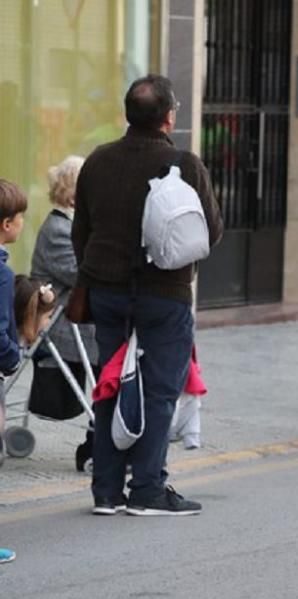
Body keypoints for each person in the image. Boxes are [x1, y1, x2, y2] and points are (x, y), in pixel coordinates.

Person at [72, 75, 223, 516]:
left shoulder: (97, 161)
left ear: (127, 115)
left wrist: (102, 272)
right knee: (158, 391)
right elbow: (210, 231)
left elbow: (82, 234)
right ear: (169, 116)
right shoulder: (184, 163)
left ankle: (105, 491)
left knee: (109, 384)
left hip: (106, 292)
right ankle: (148, 490)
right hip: (165, 294)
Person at [31, 155, 100, 472]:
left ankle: (101, 438)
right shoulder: (58, 230)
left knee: (111, 368)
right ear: (74, 195)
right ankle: (95, 443)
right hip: (63, 328)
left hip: (78, 323)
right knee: (108, 369)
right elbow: (81, 274)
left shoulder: (70, 226)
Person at [0, 178, 27, 562]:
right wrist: (12, 358)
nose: (22, 224)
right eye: (21, 217)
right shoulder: (3, 275)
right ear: (7, 224)